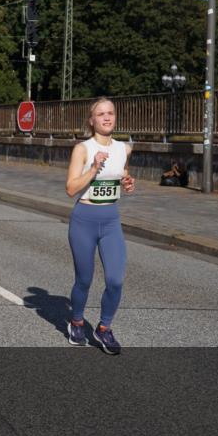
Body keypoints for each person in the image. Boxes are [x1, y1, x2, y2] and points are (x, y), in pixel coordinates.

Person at [64, 97, 135, 355]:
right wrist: (93, 167)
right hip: (84, 218)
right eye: (101, 114)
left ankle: (104, 329)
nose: (107, 118)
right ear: (91, 120)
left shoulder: (124, 149)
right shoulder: (82, 149)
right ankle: (77, 322)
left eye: (111, 113)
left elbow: (122, 175)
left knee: (115, 280)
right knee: (84, 279)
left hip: (111, 220)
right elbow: (71, 188)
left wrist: (127, 183)